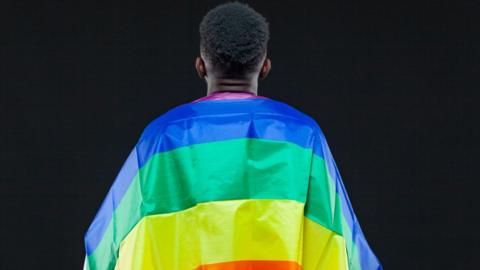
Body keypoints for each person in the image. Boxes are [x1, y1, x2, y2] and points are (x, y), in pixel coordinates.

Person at [83, 2, 382, 270]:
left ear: (200, 66)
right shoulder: (303, 137)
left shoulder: (162, 137)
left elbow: (103, 244)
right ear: (265, 68)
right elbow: (348, 246)